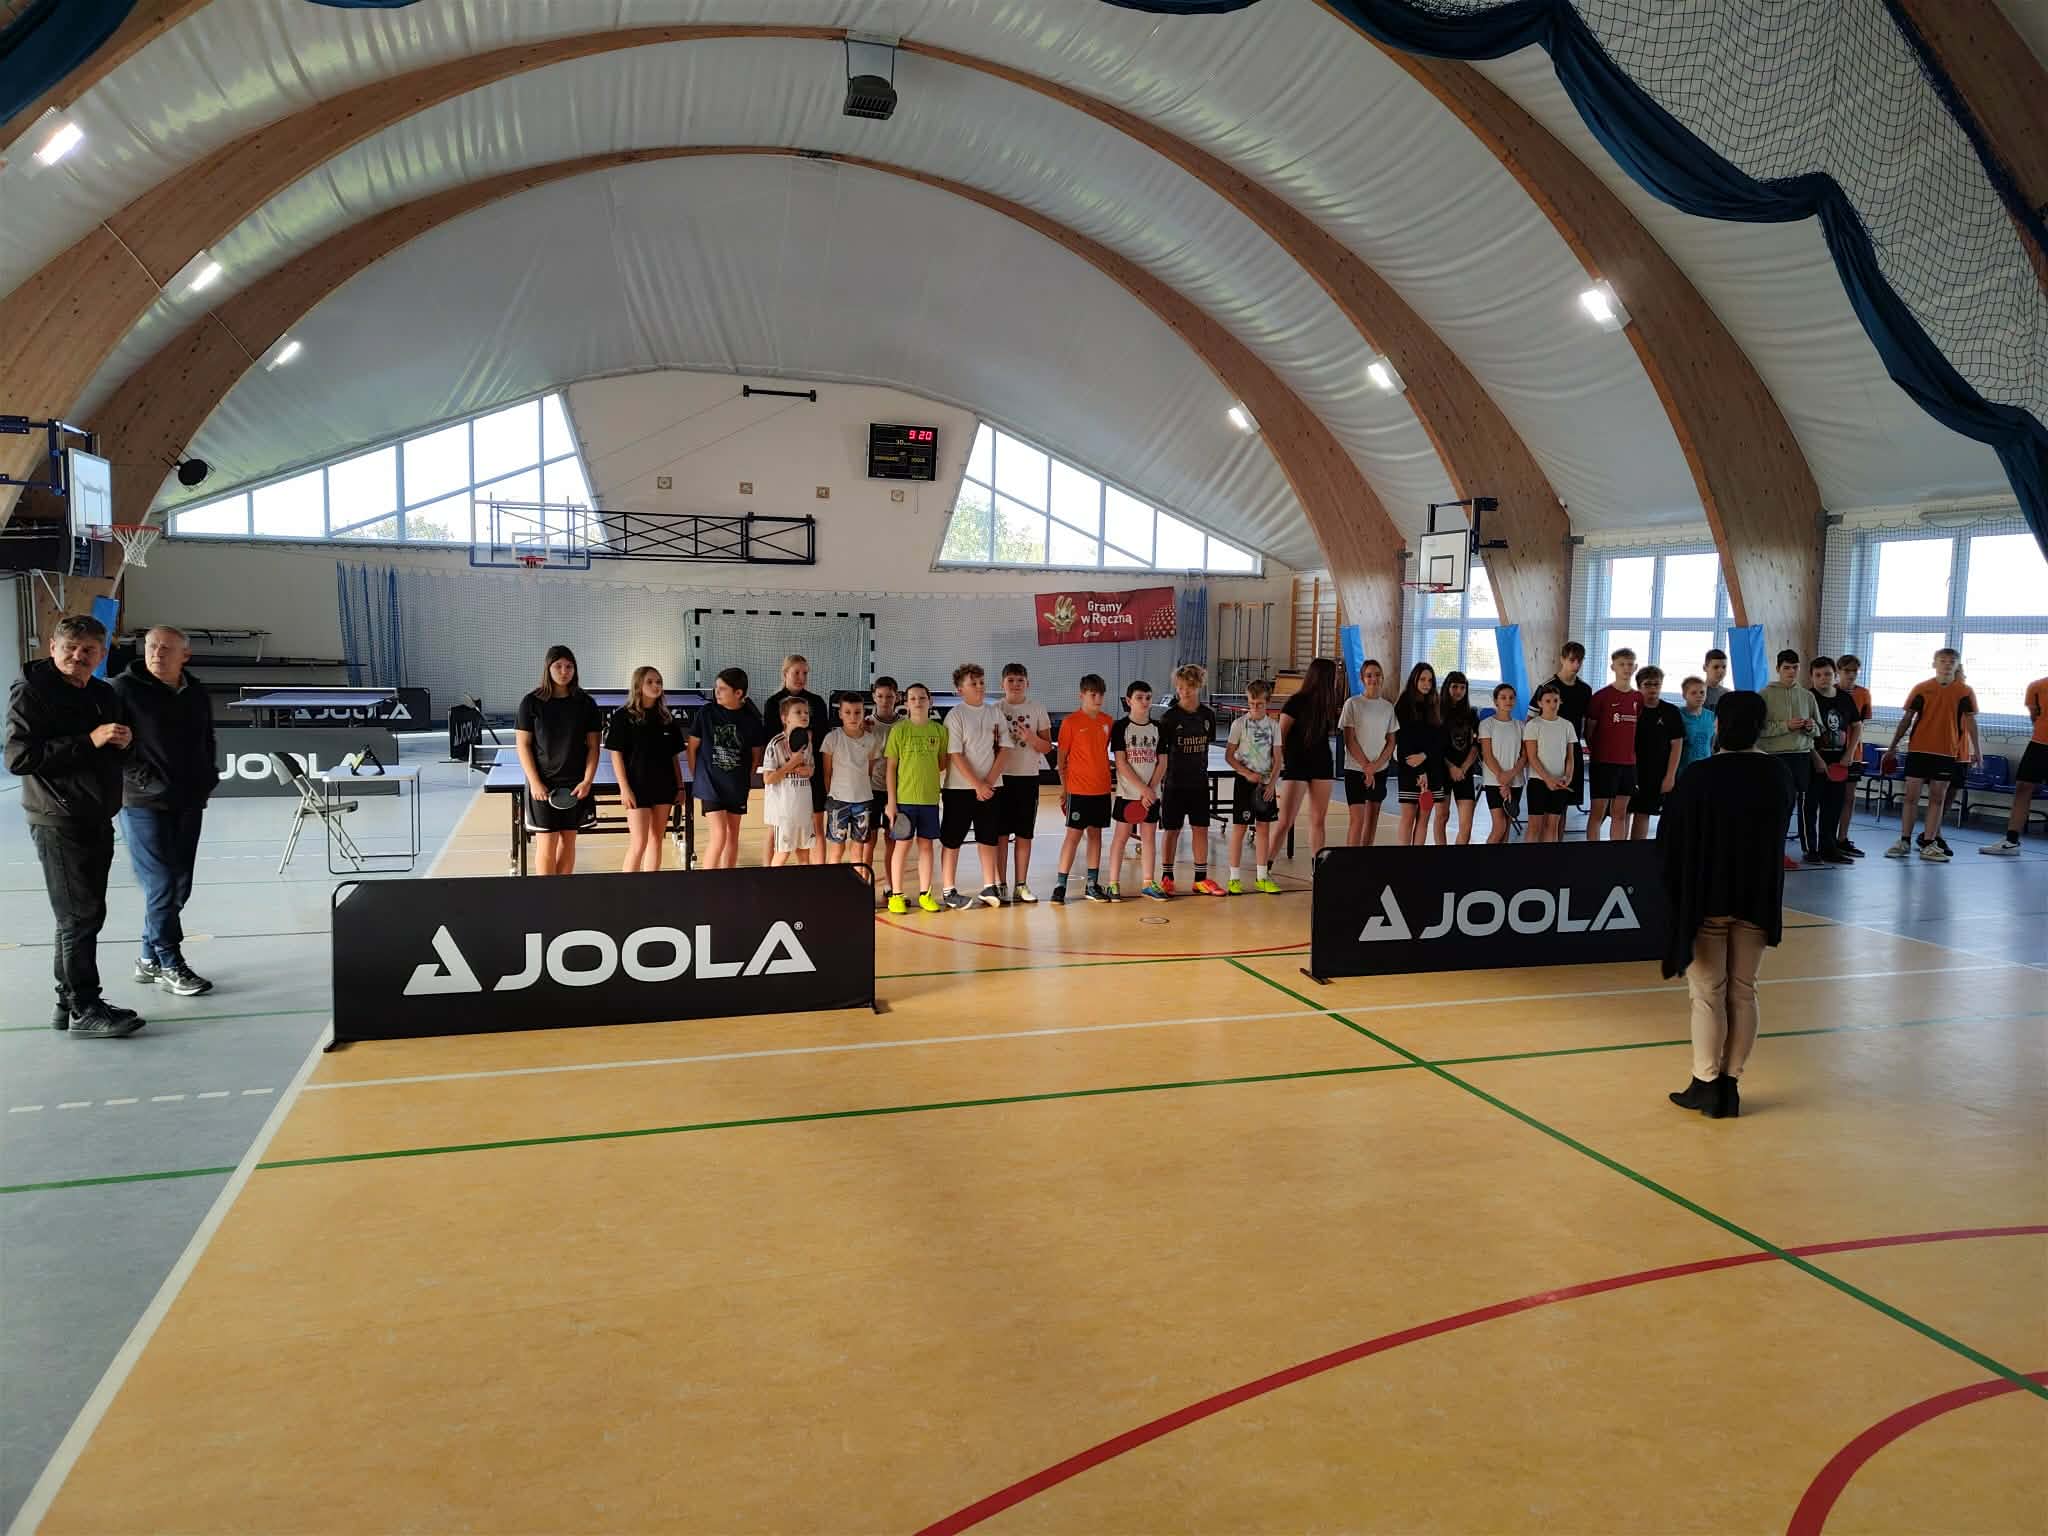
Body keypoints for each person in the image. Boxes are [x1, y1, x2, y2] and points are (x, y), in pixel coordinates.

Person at [1657, 691, 1795, 1121]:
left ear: (1720, 726)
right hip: (1757, 896)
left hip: (1708, 897)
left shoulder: (1700, 775)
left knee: (1707, 993)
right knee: (1743, 990)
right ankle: (1730, 1085)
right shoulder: (1778, 775)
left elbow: (1671, 840)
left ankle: (1705, 1081)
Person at [5, 614, 143, 1038]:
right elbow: (19, 758)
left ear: (101, 655)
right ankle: (85, 1007)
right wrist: (89, 740)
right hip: (58, 818)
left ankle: (69, 1004)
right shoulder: (32, 692)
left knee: (80, 915)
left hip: (95, 814)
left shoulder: (102, 694)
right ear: (53, 648)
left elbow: (110, 752)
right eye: (70, 648)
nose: (78, 656)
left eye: (88, 650)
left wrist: (124, 744)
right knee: (79, 916)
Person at [113, 625, 219, 995]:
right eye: (152, 647)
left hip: (188, 801)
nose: (157, 653)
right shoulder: (122, 690)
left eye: (166, 648)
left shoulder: (196, 692)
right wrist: (147, 782)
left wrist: (207, 778)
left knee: (179, 887)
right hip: (142, 803)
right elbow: (116, 747)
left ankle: (147, 958)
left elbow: (207, 739)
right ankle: (171, 962)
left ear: (184, 655)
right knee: (161, 882)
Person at [1881, 648, 1979, 862]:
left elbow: (1971, 723)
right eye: (1942, 660)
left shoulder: (1965, 692)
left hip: (1946, 752)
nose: (1947, 664)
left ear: (1957, 665)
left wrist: (1977, 752)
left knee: (1937, 798)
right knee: (1911, 797)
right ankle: (1904, 841)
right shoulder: (1921, 688)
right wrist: (1892, 746)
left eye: (1951, 661)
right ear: (1934, 664)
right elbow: (1906, 719)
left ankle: (1928, 842)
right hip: (1918, 750)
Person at [515, 644, 601, 876]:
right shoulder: (530, 703)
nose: (564, 671)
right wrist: (535, 782)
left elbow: (594, 747)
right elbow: (522, 745)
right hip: (543, 783)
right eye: (558, 666)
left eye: (569, 666)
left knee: (569, 840)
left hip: (576, 784)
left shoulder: (586, 704)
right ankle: (547, 894)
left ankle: (564, 892)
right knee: (547, 842)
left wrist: (587, 781)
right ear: (548, 668)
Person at [602, 664, 684, 873]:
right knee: (639, 841)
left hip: (664, 785)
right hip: (637, 786)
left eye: (659, 682)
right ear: (638, 685)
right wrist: (624, 788)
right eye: (650, 682)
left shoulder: (667, 718)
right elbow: (616, 754)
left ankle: (651, 886)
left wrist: (680, 786)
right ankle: (628, 888)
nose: (656, 685)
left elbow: (674, 757)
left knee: (656, 839)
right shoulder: (622, 716)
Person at [939, 662, 1007, 909]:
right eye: (973, 683)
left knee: (988, 837)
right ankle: (949, 890)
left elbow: (1005, 748)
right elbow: (956, 754)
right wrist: (977, 784)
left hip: (990, 788)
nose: (979, 687)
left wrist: (988, 782)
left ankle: (989, 886)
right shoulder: (955, 716)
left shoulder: (995, 713)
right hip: (959, 789)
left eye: (981, 682)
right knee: (952, 839)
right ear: (960, 690)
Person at [1155, 664, 1224, 895]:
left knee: (1200, 829)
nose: (1184, 692)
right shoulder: (1169, 718)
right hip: (1174, 784)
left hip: (1199, 783)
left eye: (1189, 687)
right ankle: (1167, 877)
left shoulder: (1207, 716)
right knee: (1171, 830)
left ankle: (1200, 879)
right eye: (1180, 687)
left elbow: (1207, 743)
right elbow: (1162, 754)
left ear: (1198, 687)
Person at [688, 666, 765, 870]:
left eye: (722, 689)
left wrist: (744, 779)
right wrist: (698, 776)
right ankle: (708, 880)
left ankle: (727, 878)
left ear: (738, 693)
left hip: (736, 785)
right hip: (710, 785)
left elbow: (756, 755)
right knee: (719, 835)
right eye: (716, 687)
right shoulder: (706, 713)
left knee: (732, 836)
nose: (717, 692)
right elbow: (692, 747)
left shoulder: (751, 720)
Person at [883, 682, 947, 913]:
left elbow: (942, 763)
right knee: (902, 846)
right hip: (904, 801)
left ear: (930, 701)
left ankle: (925, 894)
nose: (918, 702)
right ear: (906, 703)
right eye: (912, 698)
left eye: (922, 698)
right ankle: (896, 895)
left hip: (929, 800)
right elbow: (891, 767)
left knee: (926, 846)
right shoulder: (899, 731)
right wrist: (892, 802)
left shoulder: (939, 731)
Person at [1051, 674, 1114, 904]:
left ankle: (1092, 884)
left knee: (1096, 835)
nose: (1098, 698)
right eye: (1093, 694)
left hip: (1102, 789)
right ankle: (1060, 885)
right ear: (1082, 695)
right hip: (1078, 791)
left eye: (1100, 694)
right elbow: (1061, 759)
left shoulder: (1108, 721)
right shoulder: (1071, 723)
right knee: (1073, 836)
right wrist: (1065, 789)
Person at [994, 662, 1053, 903]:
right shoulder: (995, 709)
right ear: (1002, 684)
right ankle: (1000, 884)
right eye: (1011, 680)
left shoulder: (1037, 709)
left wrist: (1031, 738)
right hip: (1000, 779)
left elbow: (1047, 747)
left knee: (1024, 834)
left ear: (1027, 683)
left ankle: (1021, 884)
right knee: (1000, 835)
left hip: (1028, 779)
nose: (1016, 684)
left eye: (1020, 680)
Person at [1272, 657, 1341, 861]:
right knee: (1285, 821)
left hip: (1322, 764)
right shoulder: (1296, 701)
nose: (1336, 680)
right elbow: (1281, 734)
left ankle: (1317, 867)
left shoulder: (1327, 705)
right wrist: (1280, 762)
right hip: (1297, 765)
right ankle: (1265, 866)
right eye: (1334, 676)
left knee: (1318, 820)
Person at [1759, 648, 1819, 871]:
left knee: (1798, 805)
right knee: (1775, 806)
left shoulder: (1807, 696)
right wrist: (1786, 726)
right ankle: (1771, 851)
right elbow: (1759, 730)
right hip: (1775, 757)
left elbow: (1819, 729)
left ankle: (1804, 849)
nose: (1791, 672)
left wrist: (1810, 727)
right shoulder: (1764, 695)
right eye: (1786, 668)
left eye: (1795, 667)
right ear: (1778, 669)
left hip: (1801, 755)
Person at [1108, 678, 1166, 901]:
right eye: (1139, 698)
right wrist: (1142, 789)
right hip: (1128, 794)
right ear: (1129, 700)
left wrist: (1150, 790)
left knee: (1148, 837)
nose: (1144, 701)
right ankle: (1113, 884)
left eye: (1148, 698)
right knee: (1121, 837)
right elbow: (1121, 763)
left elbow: (1162, 762)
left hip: (1151, 795)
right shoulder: (1120, 727)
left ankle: (1148, 883)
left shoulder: (1158, 728)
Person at [1224, 677, 1284, 892]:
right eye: (1251, 703)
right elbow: (1229, 756)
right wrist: (1246, 773)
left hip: (1266, 785)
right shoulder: (1239, 725)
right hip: (1244, 783)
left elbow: (1278, 758)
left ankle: (1262, 876)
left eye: (1259, 704)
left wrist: (1272, 784)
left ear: (1267, 702)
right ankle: (1234, 878)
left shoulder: (1274, 726)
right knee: (1239, 829)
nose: (1255, 707)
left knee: (1263, 829)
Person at [1803, 656, 1859, 866]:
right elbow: (1803, 733)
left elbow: (1857, 725)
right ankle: (1811, 849)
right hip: (1814, 762)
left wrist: (1849, 753)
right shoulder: (1807, 698)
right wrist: (1816, 758)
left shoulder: (1845, 698)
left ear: (1835, 675)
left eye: (1827, 674)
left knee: (1834, 806)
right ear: (1811, 677)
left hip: (1838, 763)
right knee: (1811, 806)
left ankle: (1829, 848)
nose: (1823, 678)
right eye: (1818, 675)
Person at [1981, 674, 2045, 855]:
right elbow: (2035, 717)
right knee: (2023, 788)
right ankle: (2011, 842)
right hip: (2039, 744)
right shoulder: (2037, 686)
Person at [1338, 658, 1395, 848]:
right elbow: (1350, 740)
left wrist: (1375, 767)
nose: (1373, 679)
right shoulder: (1352, 704)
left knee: (1372, 817)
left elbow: (1391, 742)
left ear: (1382, 678)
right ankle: (1351, 859)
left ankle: (1365, 856)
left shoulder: (1388, 707)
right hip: (1355, 769)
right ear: (1362, 679)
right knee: (1358, 819)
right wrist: (1366, 767)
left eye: (1377, 675)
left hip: (1380, 770)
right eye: (1369, 675)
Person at [820, 692, 879, 871]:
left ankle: (857, 884)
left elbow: (869, 770)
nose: (853, 717)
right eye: (847, 712)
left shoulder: (871, 740)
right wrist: (832, 795)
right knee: (837, 849)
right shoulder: (832, 738)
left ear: (864, 713)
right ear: (840, 714)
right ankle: (833, 885)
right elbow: (827, 773)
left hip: (863, 801)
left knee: (858, 849)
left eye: (857, 712)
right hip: (838, 801)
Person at [1586, 647, 1640, 842]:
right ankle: (1592, 854)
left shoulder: (1638, 698)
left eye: (1629, 664)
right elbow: (1589, 730)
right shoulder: (1601, 697)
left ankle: (1616, 854)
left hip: (1628, 764)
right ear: (1613, 667)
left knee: (1620, 813)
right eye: (1621, 664)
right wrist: (1599, 753)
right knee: (1597, 813)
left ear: (1635, 667)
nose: (1626, 668)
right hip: (1603, 763)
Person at [761, 696, 819, 867]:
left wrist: (808, 771)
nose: (804, 715)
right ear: (785, 718)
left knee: (804, 854)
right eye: (798, 712)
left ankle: (803, 883)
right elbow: (768, 778)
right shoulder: (775, 744)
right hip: (784, 812)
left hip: (803, 809)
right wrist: (791, 764)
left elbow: (811, 769)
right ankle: (773, 883)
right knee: (783, 853)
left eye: (806, 712)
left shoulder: (807, 742)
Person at [1628, 666, 1683, 840]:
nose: (1653, 689)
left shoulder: (1671, 711)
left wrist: (1670, 776)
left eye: (1656, 684)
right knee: (1625, 812)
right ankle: (1623, 851)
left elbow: (1677, 744)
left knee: (1646, 812)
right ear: (1639, 686)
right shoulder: (1631, 709)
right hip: (1631, 770)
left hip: (1657, 772)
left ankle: (1642, 851)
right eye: (1648, 684)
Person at [1392, 661, 1442, 848]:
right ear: (1414, 680)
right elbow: (1403, 740)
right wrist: (1420, 770)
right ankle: (1404, 860)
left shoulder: (1435, 704)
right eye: (1422, 679)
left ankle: (1417, 860)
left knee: (1424, 819)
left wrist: (1426, 756)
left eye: (1430, 680)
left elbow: (1439, 740)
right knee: (1408, 817)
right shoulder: (1403, 704)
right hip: (1410, 767)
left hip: (1432, 767)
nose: (1426, 684)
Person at [1543, 642, 1594, 821]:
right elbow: (1531, 721)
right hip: (1549, 752)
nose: (1576, 665)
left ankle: (1559, 838)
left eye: (1580, 661)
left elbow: (1587, 723)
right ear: (1562, 659)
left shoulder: (1585, 690)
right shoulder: (1547, 687)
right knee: (1547, 808)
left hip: (1573, 750)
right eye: (1572, 660)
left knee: (1564, 803)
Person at [1522, 682, 1577, 844]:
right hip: (1538, 781)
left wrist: (1567, 777)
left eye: (1555, 700)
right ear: (1540, 703)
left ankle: (1549, 859)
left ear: (1560, 702)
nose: (1552, 704)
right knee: (1534, 826)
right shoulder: (1533, 725)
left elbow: (1570, 757)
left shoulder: (1567, 725)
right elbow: (1532, 757)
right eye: (1547, 701)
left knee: (1552, 826)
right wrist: (1547, 779)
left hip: (1560, 782)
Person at [862, 677, 902, 881]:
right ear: (874, 697)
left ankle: (890, 883)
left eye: (889, 696)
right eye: (880, 696)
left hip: (896, 790)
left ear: (897, 697)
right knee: (868, 839)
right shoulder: (865, 723)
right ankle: (864, 882)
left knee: (891, 838)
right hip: (870, 789)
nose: (885, 701)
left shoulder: (904, 724)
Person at [1436, 670, 1480, 845]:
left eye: (1462, 687)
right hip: (1442, 771)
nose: (1458, 691)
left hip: (1464, 772)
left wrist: (1463, 768)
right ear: (1447, 687)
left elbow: (1476, 745)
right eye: (1455, 687)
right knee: (1442, 816)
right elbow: (1435, 746)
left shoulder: (1472, 714)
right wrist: (1451, 767)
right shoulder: (1436, 712)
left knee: (1466, 825)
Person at [1835, 654, 1872, 857]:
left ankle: (1842, 838)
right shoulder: (1830, 691)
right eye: (1847, 671)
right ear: (1839, 671)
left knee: (1849, 797)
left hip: (1854, 753)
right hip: (1832, 752)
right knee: (1830, 798)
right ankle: (1826, 838)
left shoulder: (1864, 694)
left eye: (1854, 672)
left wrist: (1850, 751)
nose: (1851, 675)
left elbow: (1860, 724)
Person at [1478, 683, 1523, 845]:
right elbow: (1487, 754)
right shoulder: (1486, 724)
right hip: (1494, 782)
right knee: (1499, 826)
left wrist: (1511, 775)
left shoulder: (1520, 725)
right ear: (1496, 701)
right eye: (1503, 697)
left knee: (1507, 827)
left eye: (1511, 698)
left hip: (1515, 782)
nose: (1508, 701)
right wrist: (1502, 777)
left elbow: (1524, 756)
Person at [1677, 675, 1716, 776]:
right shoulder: (1678, 715)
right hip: (1685, 770)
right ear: (1684, 695)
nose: (1699, 696)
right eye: (1694, 693)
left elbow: (1711, 743)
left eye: (1702, 692)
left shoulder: (1711, 716)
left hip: (1706, 770)